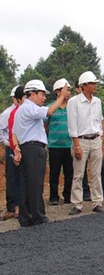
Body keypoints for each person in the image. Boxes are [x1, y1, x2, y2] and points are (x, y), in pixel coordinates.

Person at [12, 80, 63, 226]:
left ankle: (26, 217)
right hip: (33, 149)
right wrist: (61, 97)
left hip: (26, 148)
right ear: (32, 94)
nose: (44, 98)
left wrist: (16, 148)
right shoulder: (29, 107)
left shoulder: (21, 109)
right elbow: (49, 111)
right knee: (35, 183)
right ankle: (38, 216)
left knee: (26, 183)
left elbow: (15, 132)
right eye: (42, 94)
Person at [66, 71, 104, 215]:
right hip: (81, 140)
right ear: (84, 86)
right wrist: (76, 144)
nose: (95, 86)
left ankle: (97, 201)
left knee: (96, 173)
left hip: (95, 139)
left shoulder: (97, 101)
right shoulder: (73, 102)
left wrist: (100, 134)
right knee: (78, 173)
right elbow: (72, 124)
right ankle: (77, 203)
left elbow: (99, 119)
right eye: (92, 83)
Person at [46, 79, 73, 205]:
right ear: (58, 92)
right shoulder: (50, 108)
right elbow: (45, 125)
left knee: (69, 172)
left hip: (69, 145)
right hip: (55, 146)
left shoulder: (72, 107)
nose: (69, 92)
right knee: (54, 172)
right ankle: (54, 197)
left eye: (69, 90)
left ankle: (68, 196)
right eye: (66, 90)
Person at [0, 85, 23, 221]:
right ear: (15, 99)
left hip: (24, 147)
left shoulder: (26, 112)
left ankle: (23, 206)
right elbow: (1, 131)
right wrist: (8, 143)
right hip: (11, 147)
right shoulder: (7, 114)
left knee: (23, 177)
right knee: (12, 177)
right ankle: (11, 207)